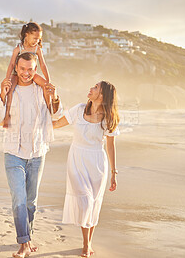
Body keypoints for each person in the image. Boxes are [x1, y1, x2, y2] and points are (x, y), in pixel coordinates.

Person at [0, 52, 62, 258]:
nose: (26, 73)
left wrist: (55, 96)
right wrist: (2, 95)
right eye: (22, 69)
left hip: (38, 151)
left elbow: (56, 114)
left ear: (35, 70)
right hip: (13, 152)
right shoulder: (8, 89)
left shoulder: (42, 89)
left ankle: (27, 235)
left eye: (30, 69)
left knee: (31, 201)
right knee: (19, 199)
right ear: (16, 69)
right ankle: (24, 242)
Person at [52, 81, 120, 257]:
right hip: (76, 159)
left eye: (95, 87)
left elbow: (111, 146)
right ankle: (85, 243)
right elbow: (57, 124)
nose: (90, 89)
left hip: (97, 162)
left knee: (94, 203)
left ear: (103, 95)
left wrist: (114, 173)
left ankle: (87, 243)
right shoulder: (79, 110)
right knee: (86, 201)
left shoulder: (108, 119)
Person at [3, 22, 51, 128]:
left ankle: (48, 111)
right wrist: (7, 78)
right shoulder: (18, 49)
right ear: (26, 35)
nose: (37, 41)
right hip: (17, 74)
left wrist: (48, 80)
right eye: (34, 38)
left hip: (32, 74)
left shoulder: (37, 49)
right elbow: (11, 64)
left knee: (45, 86)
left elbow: (43, 65)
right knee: (10, 90)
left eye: (38, 39)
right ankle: (7, 116)